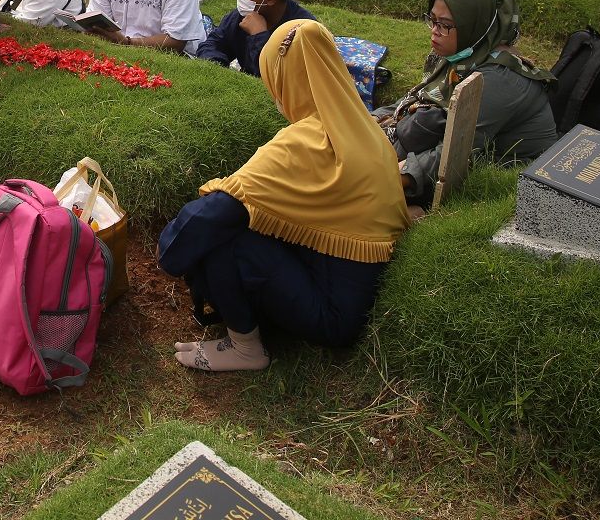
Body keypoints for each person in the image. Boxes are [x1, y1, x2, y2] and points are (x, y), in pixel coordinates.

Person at [159, 19, 411, 370]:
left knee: (222, 238)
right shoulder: (361, 125)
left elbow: (215, 212)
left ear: (287, 79)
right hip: (347, 286)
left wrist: (168, 255)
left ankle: (246, 348)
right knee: (250, 218)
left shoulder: (306, 141)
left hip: (331, 318)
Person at [375, 0, 557, 220]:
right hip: (455, 149)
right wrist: (368, 120)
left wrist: (394, 176)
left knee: (364, 204)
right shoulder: (460, 56)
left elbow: (456, 155)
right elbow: (414, 98)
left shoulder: (497, 81)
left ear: (475, 25)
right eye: (432, 20)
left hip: (495, 174)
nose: (434, 31)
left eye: (445, 25)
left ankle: (420, 215)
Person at [198, 0, 314, 77]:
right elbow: (212, 44)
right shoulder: (241, 16)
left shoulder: (303, 32)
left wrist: (259, 35)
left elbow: (275, 77)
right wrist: (218, 70)